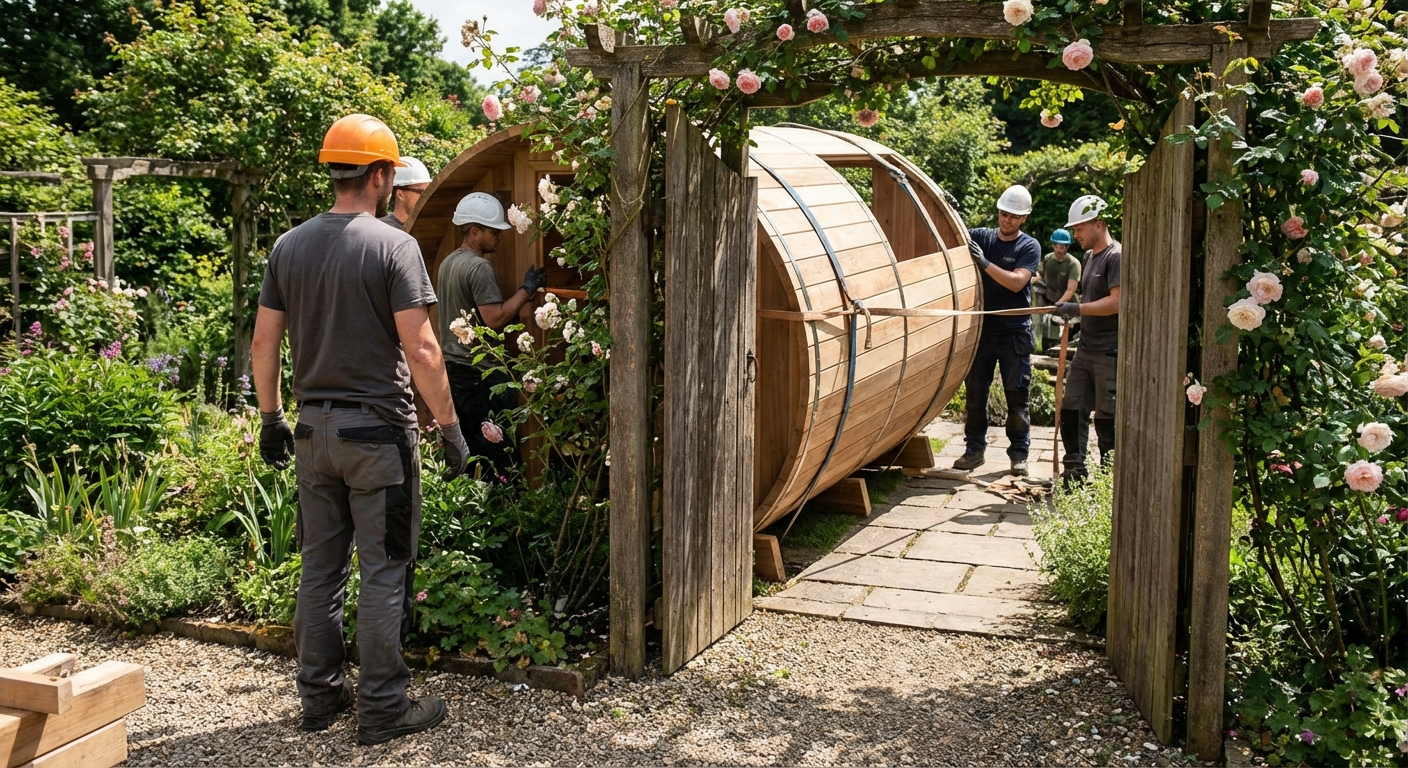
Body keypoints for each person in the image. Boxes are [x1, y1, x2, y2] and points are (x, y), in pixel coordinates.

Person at [251, 113, 469, 746]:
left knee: (320, 568)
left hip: (311, 433)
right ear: (379, 175)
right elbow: (424, 348)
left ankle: (318, 699)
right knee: (383, 569)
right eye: (391, 173)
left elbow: (265, 340)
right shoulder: (393, 245)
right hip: (378, 437)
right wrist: (451, 428)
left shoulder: (289, 246)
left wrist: (270, 419)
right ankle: (381, 707)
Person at [438, 192, 546, 477]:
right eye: (494, 231)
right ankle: (507, 511)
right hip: (480, 376)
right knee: (501, 452)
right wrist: (527, 289)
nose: (500, 237)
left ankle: (477, 513)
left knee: (472, 450)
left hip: (454, 371)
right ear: (474, 231)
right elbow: (494, 318)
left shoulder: (448, 263)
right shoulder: (478, 267)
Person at [953, 184, 1043, 476]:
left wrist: (985, 263)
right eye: (1004, 214)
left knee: (1017, 397)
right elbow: (952, 235)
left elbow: (1017, 282)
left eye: (1014, 217)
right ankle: (974, 450)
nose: (1007, 220)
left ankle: (1019, 455)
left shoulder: (1028, 246)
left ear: (1024, 218)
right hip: (983, 333)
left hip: (1015, 334)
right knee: (976, 394)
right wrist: (951, 210)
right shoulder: (981, 237)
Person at [1053, 194, 1122, 483]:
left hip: (1110, 351)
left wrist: (1077, 308)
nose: (1075, 234)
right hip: (1086, 348)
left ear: (1098, 224)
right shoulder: (1088, 256)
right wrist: (1074, 313)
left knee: (1107, 417)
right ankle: (1075, 473)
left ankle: (1109, 481)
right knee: (1072, 407)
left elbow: (1118, 302)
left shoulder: (1116, 256)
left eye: (1079, 228)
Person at [1032, 228, 1082, 353]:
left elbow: (1071, 289)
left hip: (1067, 305)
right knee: (1048, 337)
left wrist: (1057, 306)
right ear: (1053, 245)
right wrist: (1032, 279)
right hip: (1049, 301)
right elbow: (1040, 276)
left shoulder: (1073, 264)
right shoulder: (1048, 258)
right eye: (1057, 246)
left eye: (1063, 247)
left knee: (1066, 340)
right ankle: (1044, 356)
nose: (1059, 250)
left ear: (1067, 247)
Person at [379, 157, 431, 230]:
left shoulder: (430, 228)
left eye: (428, 190)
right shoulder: (382, 229)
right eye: (421, 191)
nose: (426, 196)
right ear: (400, 195)